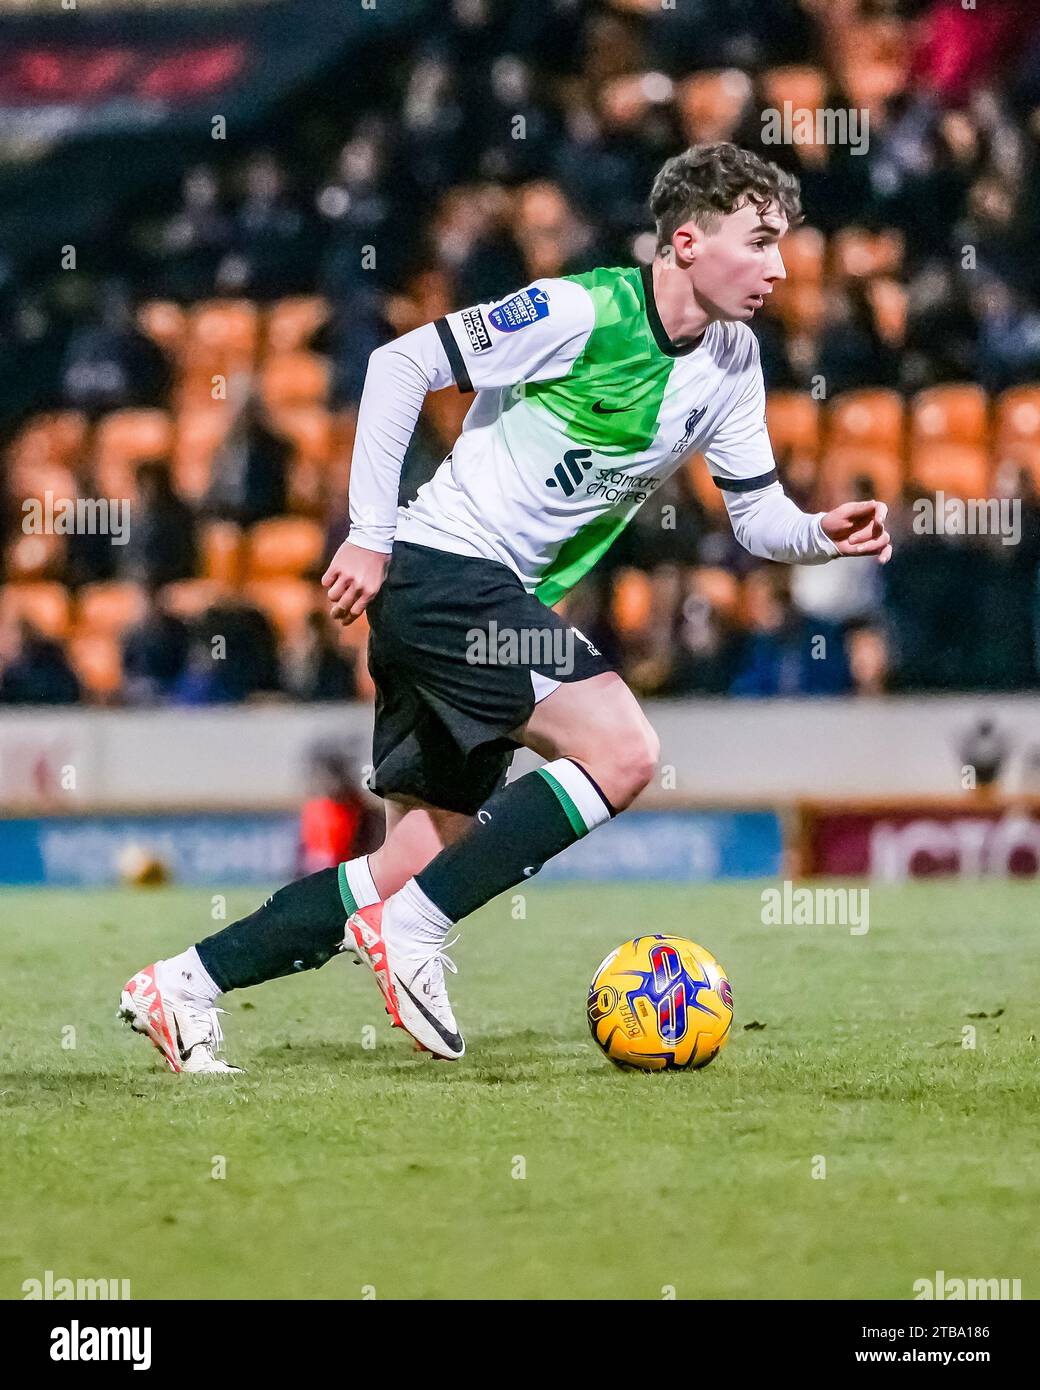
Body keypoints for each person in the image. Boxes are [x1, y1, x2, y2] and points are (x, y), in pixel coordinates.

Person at [119, 142, 892, 1074]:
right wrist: (370, 532)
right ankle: (410, 935)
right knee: (624, 750)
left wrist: (821, 534)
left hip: (481, 599)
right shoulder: (580, 309)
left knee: (407, 860)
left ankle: (184, 985)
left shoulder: (731, 359)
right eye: (760, 242)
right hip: (444, 571)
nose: (778, 267)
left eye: (784, 247)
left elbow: (759, 515)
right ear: (685, 241)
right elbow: (402, 364)